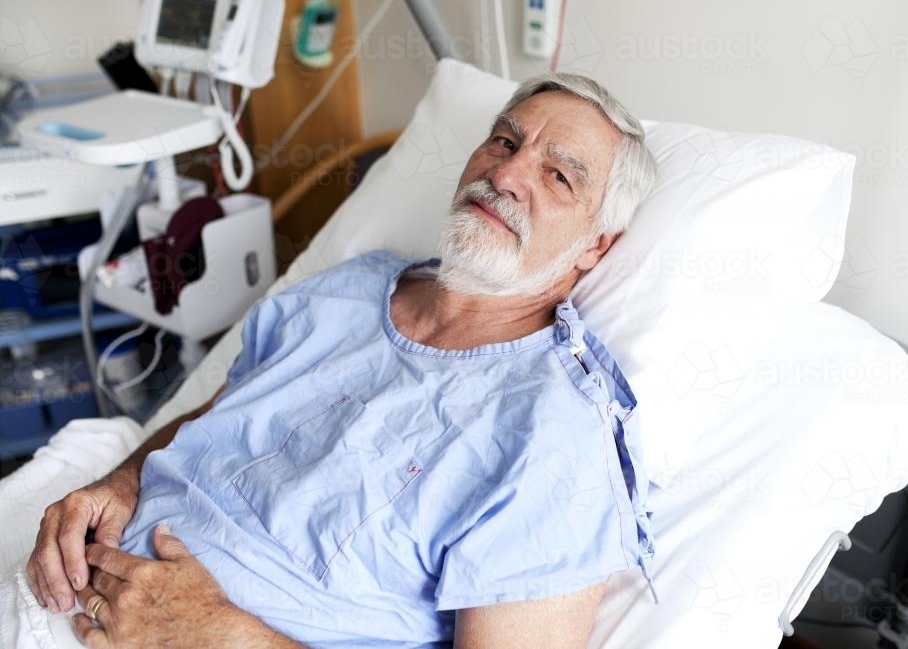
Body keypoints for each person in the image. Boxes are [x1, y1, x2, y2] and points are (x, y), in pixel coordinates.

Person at [26, 72, 657, 648]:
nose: (507, 174)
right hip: (57, 589)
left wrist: (225, 638)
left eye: (559, 176)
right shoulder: (346, 292)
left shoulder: (554, 439)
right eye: (503, 141)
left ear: (595, 246)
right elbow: (219, 414)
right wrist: (122, 481)